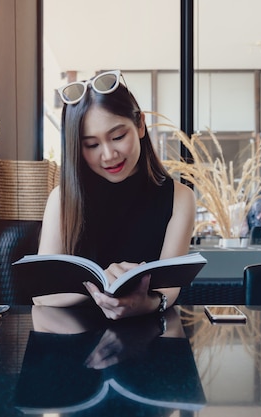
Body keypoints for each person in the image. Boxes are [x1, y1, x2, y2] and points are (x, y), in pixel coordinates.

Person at [35, 70, 196, 320]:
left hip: (151, 338)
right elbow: (42, 292)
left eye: (118, 137)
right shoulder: (62, 198)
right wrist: (102, 284)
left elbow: (168, 289)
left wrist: (147, 303)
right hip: (73, 343)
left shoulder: (180, 198)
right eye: (92, 145)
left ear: (140, 125)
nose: (109, 155)